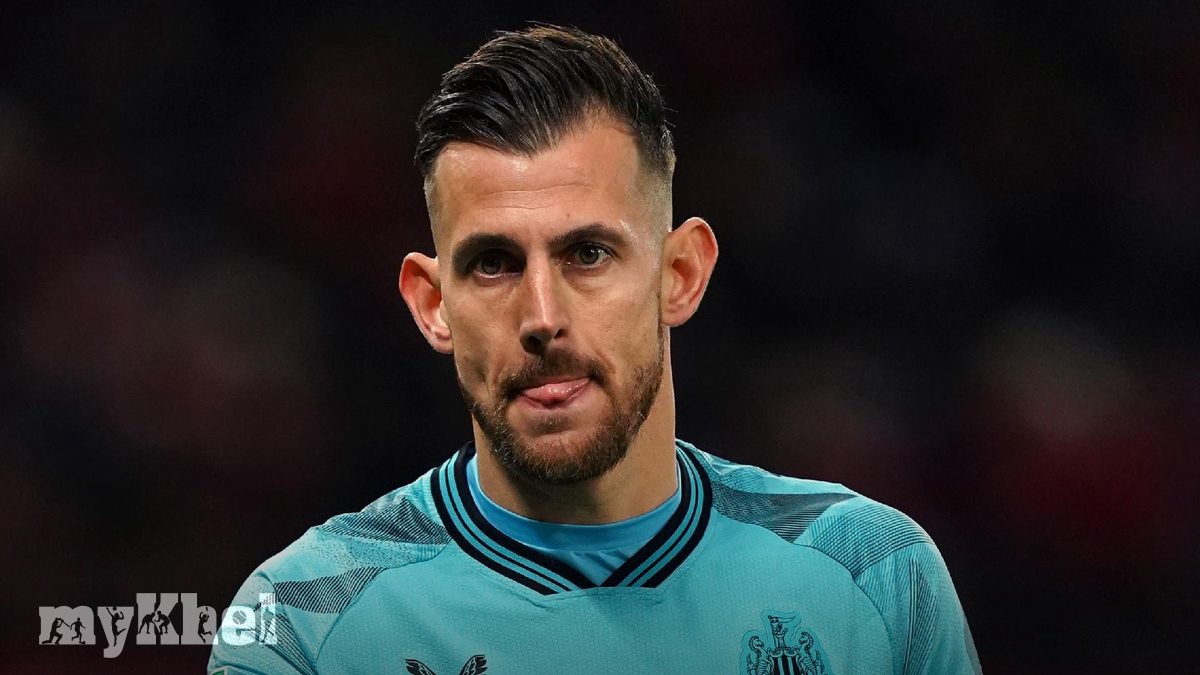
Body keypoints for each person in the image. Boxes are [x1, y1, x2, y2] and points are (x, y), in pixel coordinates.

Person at [209, 24, 980, 674]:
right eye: (493, 263)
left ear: (680, 274)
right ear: (433, 304)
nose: (542, 317)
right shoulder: (302, 622)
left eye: (588, 254)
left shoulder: (874, 574)